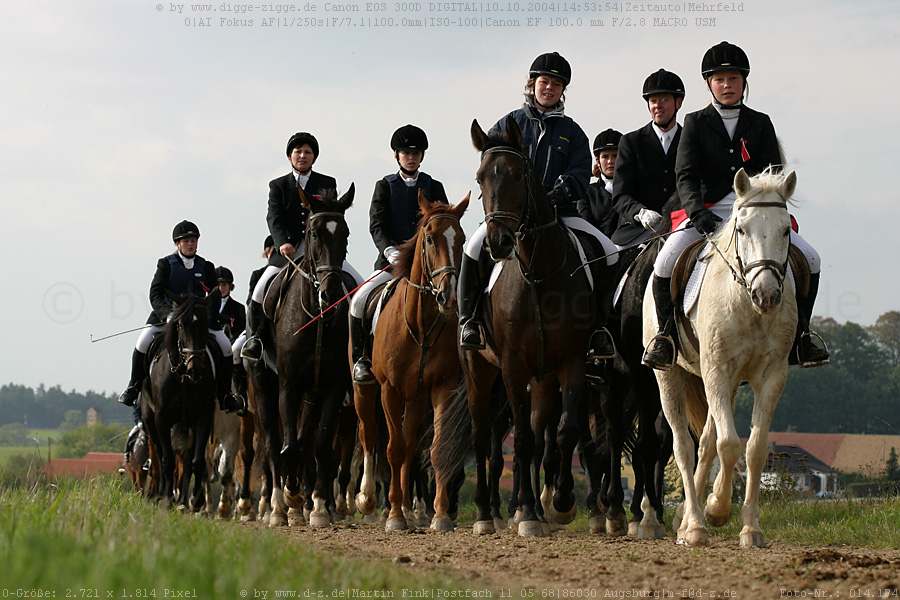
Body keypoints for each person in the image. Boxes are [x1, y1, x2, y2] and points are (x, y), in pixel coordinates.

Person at [641, 41, 829, 370]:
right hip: (707, 211)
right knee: (665, 262)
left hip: (755, 213)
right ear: (709, 84)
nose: (726, 86)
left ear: (744, 82)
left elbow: (772, 175)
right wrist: (699, 214)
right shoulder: (696, 122)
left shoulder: (761, 122)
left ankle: (802, 335)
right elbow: (685, 174)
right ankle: (666, 337)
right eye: (719, 80)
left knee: (811, 258)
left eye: (733, 79)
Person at [458, 51, 619, 360]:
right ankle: (470, 321)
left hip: (559, 214)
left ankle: (599, 328)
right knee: (472, 249)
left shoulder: (572, 132)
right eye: (544, 82)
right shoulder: (508, 123)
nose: (549, 88)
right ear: (531, 85)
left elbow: (581, 172)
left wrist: (559, 194)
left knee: (609, 252)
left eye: (556, 85)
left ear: (562, 91)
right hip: (510, 215)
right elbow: (491, 166)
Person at [241, 132, 363, 362]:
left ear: (314, 157)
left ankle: (361, 348)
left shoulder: (327, 183)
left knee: (357, 284)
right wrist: (282, 243)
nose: (302, 156)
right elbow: (274, 218)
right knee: (259, 290)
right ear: (290, 157)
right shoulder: (277, 185)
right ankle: (255, 340)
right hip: (288, 251)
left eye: (307, 152)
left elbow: (330, 217)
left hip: (321, 251)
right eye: (298, 152)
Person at [349, 124, 449, 384]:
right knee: (359, 300)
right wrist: (390, 250)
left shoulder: (433, 186)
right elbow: (377, 224)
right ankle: (361, 359)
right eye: (406, 153)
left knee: (455, 298)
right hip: (391, 263)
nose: (411, 157)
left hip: (428, 265)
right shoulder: (385, 186)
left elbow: (443, 223)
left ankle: (458, 356)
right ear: (397, 155)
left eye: (416, 153)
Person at [117, 220, 246, 414]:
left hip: (198, 321)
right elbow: (155, 293)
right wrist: (167, 315)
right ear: (178, 244)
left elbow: (214, 296)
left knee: (227, 347)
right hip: (168, 318)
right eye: (186, 241)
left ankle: (225, 394)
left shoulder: (206, 266)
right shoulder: (166, 264)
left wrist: (207, 317)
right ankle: (133, 387)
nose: (191, 244)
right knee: (142, 343)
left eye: (193, 240)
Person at [611, 69, 685, 249]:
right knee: (613, 265)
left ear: (678, 103)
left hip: (681, 226)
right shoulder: (630, 141)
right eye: (653, 101)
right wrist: (640, 213)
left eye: (664, 100)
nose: (657, 105)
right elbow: (620, 195)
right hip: (639, 229)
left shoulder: (690, 140)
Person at [577, 128, 623, 238]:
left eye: (615, 156)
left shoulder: (635, 188)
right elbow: (586, 226)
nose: (610, 161)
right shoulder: (586, 193)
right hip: (598, 249)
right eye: (605, 156)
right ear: (598, 161)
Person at [215, 266, 246, 343]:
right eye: (218, 285)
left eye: (224, 285)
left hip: (230, 343)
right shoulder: (206, 306)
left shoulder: (238, 307)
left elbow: (240, 331)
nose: (221, 288)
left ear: (230, 286)